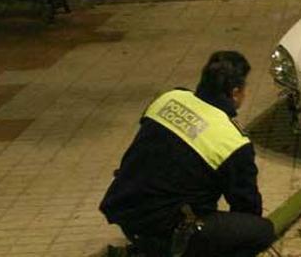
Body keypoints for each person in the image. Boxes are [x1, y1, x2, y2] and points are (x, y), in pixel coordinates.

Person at [100, 51, 275, 257]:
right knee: (260, 231)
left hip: (124, 208)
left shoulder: (170, 98)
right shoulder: (233, 141)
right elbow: (247, 206)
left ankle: (149, 247)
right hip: (169, 228)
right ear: (236, 92)